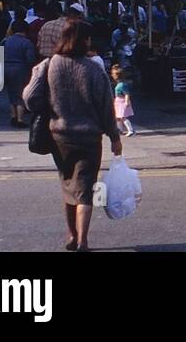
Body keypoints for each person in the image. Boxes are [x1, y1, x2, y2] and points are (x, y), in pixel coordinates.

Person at [23, 21, 123, 252]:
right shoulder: (94, 69)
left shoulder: (49, 65)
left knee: (68, 185)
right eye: (87, 38)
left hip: (59, 136)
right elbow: (106, 107)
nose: (90, 42)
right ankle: (82, 241)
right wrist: (114, 137)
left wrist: (49, 105)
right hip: (88, 138)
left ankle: (71, 235)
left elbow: (29, 98)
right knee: (86, 189)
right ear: (83, 40)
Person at [3, 20, 36, 128]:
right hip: (20, 69)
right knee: (21, 94)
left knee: (11, 93)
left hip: (6, 68)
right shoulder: (26, 42)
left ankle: (13, 116)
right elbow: (30, 59)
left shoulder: (6, 41)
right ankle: (20, 119)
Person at [111, 64, 136, 137]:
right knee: (118, 117)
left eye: (113, 74)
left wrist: (126, 102)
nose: (112, 75)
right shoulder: (119, 84)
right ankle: (120, 130)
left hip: (122, 102)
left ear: (117, 76)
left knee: (123, 117)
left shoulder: (122, 85)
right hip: (118, 102)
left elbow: (127, 94)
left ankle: (131, 130)